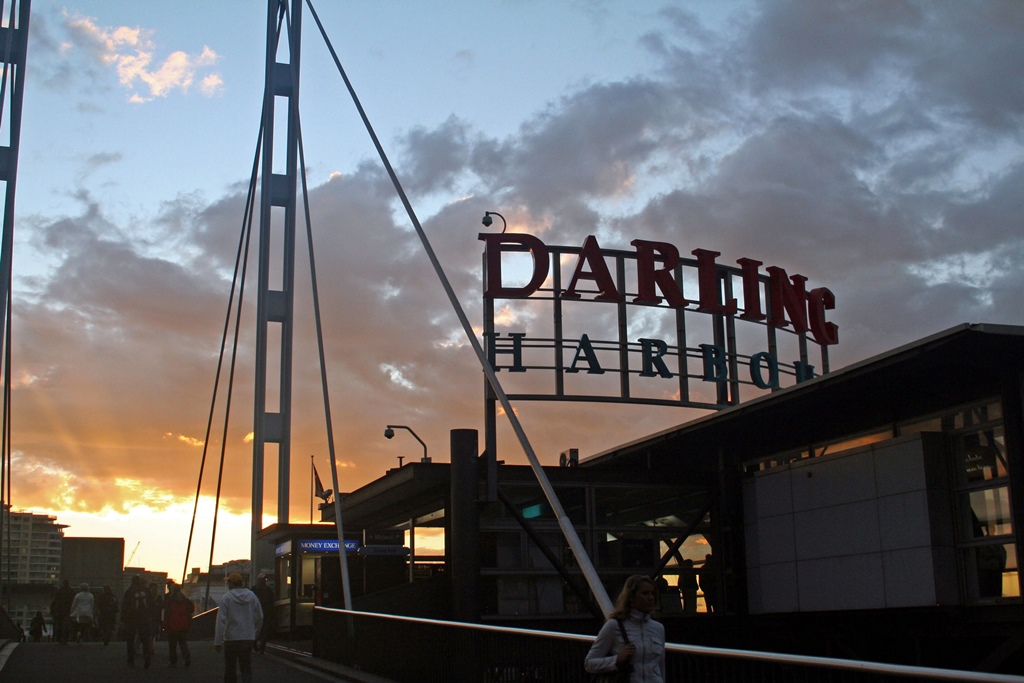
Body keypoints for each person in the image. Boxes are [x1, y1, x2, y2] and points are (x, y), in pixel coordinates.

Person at [584, 574, 666, 682]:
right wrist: (616, 660)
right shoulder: (614, 625)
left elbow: (661, 667)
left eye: (653, 593)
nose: (651, 598)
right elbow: (589, 663)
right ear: (631, 597)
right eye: (645, 593)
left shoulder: (658, 628)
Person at [215, 572, 263, 683]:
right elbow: (260, 616)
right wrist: (255, 633)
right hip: (247, 637)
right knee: (246, 667)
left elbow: (221, 620)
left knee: (230, 668)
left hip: (231, 637)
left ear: (231, 583)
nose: (227, 584)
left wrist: (217, 641)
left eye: (228, 582)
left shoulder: (227, 598)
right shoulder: (252, 596)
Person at [122, 574, 154, 668]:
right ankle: (146, 655)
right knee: (144, 638)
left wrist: (123, 619)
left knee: (130, 639)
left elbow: (125, 606)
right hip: (144, 618)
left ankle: (130, 659)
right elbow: (151, 603)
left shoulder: (129, 591)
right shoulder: (145, 590)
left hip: (132, 618)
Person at [163, 581, 194, 667]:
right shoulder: (185, 600)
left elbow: (167, 614)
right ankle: (186, 654)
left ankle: (173, 662)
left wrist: (165, 625)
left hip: (172, 625)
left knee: (172, 645)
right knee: (182, 642)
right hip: (183, 625)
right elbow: (191, 610)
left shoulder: (170, 600)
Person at [252, 573, 275, 653]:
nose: (263, 581)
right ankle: (255, 645)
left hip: (266, 612)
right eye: (262, 579)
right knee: (256, 629)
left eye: (264, 579)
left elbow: (271, 602)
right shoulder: (254, 590)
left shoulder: (268, 590)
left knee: (264, 630)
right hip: (256, 613)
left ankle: (262, 648)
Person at [51, 579, 75, 645]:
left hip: (59, 610)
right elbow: (74, 602)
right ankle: (65, 638)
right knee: (66, 625)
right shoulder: (71, 591)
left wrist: (52, 610)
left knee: (60, 624)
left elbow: (54, 601)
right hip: (68, 610)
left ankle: (59, 638)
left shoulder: (59, 591)